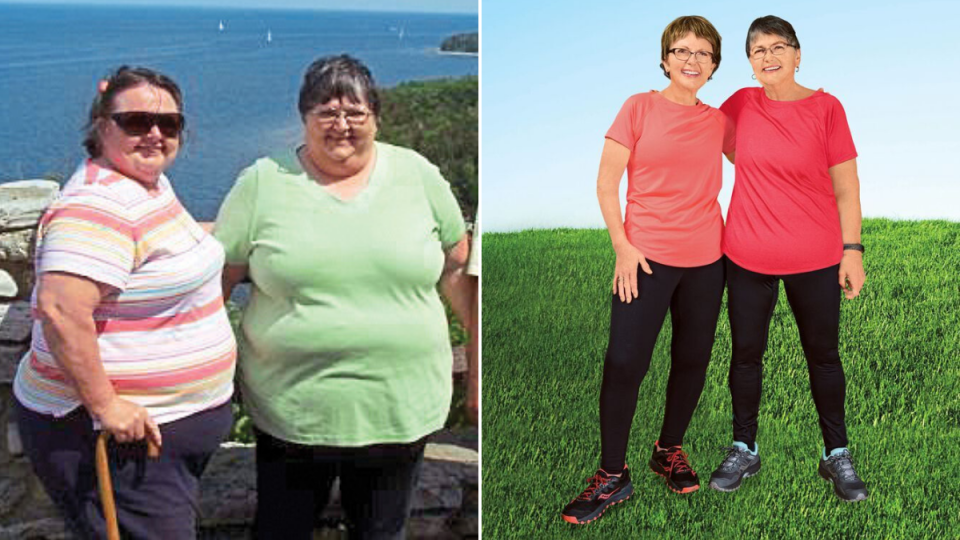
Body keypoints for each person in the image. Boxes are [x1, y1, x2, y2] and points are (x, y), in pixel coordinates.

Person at [213, 54, 471, 539]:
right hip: (292, 412)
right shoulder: (263, 182)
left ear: (376, 117)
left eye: (356, 113)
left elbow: (457, 264)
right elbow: (218, 283)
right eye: (326, 113)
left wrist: (479, 364)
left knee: (380, 533)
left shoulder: (416, 173)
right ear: (303, 117)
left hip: (399, 408)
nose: (342, 125)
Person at [12, 66, 237, 538]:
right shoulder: (94, 205)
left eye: (169, 124)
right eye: (136, 122)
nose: (155, 134)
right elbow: (59, 309)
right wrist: (107, 406)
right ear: (101, 126)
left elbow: (159, 252)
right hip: (116, 438)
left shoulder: (146, 185)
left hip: (154, 441)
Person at [560, 16, 734, 525]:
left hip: (707, 260)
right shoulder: (638, 107)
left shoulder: (719, 121)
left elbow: (761, 165)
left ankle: (668, 450)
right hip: (645, 258)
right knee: (624, 362)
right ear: (664, 59)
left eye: (703, 53)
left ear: (714, 65)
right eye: (681, 50)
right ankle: (613, 474)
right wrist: (622, 246)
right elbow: (605, 184)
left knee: (692, 359)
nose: (691, 60)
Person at [707, 16, 868, 502]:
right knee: (746, 356)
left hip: (816, 256)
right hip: (747, 255)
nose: (768, 57)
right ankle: (744, 447)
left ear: (798, 55)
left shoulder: (826, 108)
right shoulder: (740, 104)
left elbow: (847, 186)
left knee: (823, 357)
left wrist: (853, 251)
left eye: (778, 47)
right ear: (749, 63)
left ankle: (835, 454)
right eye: (757, 51)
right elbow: (720, 147)